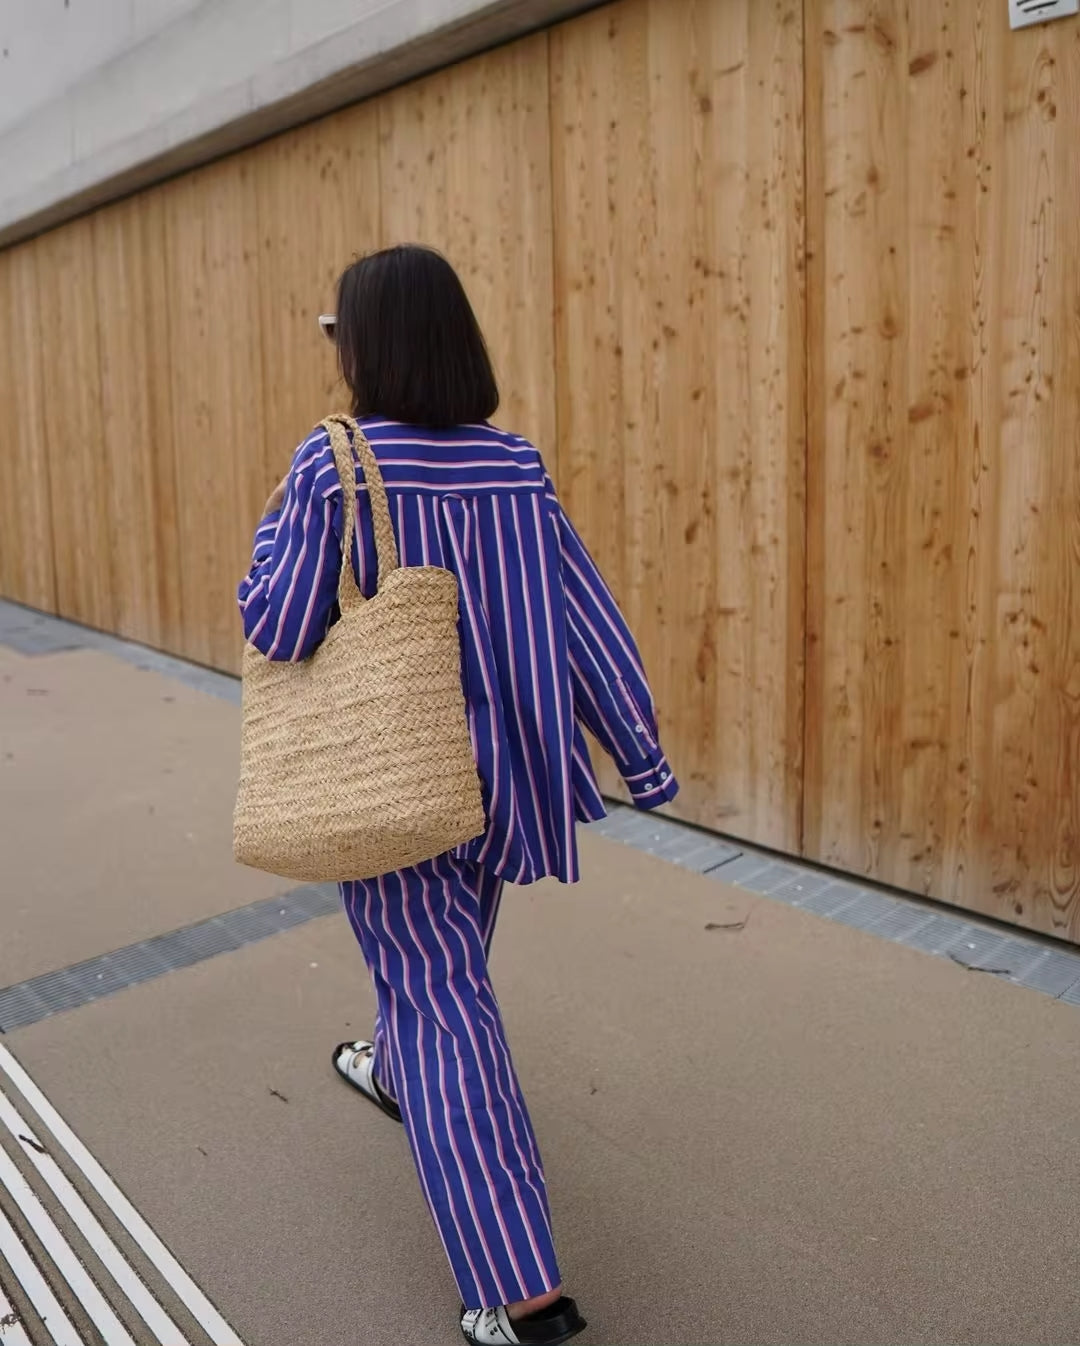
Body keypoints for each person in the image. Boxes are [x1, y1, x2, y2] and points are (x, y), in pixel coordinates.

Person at [238, 245, 677, 1346]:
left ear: (367, 344)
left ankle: (517, 1284)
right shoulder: (515, 463)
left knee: (440, 992)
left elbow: (280, 623)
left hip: (393, 775)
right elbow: (586, 615)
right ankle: (392, 1067)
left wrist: (266, 550)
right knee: (444, 965)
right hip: (511, 773)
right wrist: (640, 750)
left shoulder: (332, 465)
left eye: (335, 332)